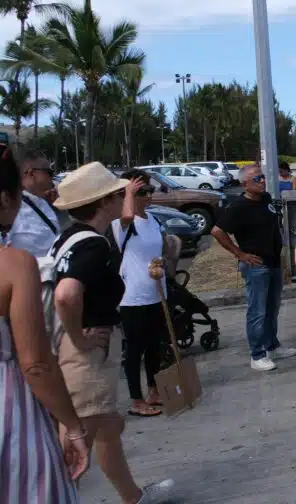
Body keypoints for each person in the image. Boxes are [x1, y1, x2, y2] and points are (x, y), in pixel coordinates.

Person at [52, 162, 175, 503]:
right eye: (118, 193)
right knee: (79, 439)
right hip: (86, 351)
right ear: (104, 200)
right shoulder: (93, 244)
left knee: (107, 429)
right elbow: (66, 295)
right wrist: (79, 338)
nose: (123, 197)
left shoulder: (71, 237)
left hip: (83, 346)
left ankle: (132, 496)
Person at [0, 143, 89, 503]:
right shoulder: (15, 265)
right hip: (11, 415)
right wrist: (72, 424)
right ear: (6, 199)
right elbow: (35, 362)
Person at [212, 165, 296, 372]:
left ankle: (272, 345)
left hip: (274, 261)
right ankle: (257, 354)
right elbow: (217, 231)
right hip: (256, 264)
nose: (262, 181)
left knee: (272, 307)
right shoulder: (238, 206)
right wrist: (239, 254)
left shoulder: (266, 199)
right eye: (257, 179)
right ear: (245, 184)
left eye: (262, 177)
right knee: (257, 311)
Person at [111, 169, 173, 417]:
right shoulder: (121, 223)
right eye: (142, 192)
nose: (148, 196)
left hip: (157, 291)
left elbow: (160, 248)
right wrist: (127, 191)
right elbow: (126, 215)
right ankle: (136, 399)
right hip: (133, 296)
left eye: (150, 191)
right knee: (135, 348)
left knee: (155, 345)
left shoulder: (152, 220)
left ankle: (154, 389)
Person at [6, 146, 60, 256]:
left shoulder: (42, 202)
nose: (52, 177)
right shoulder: (9, 211)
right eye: (49, 172)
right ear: (31, 173)